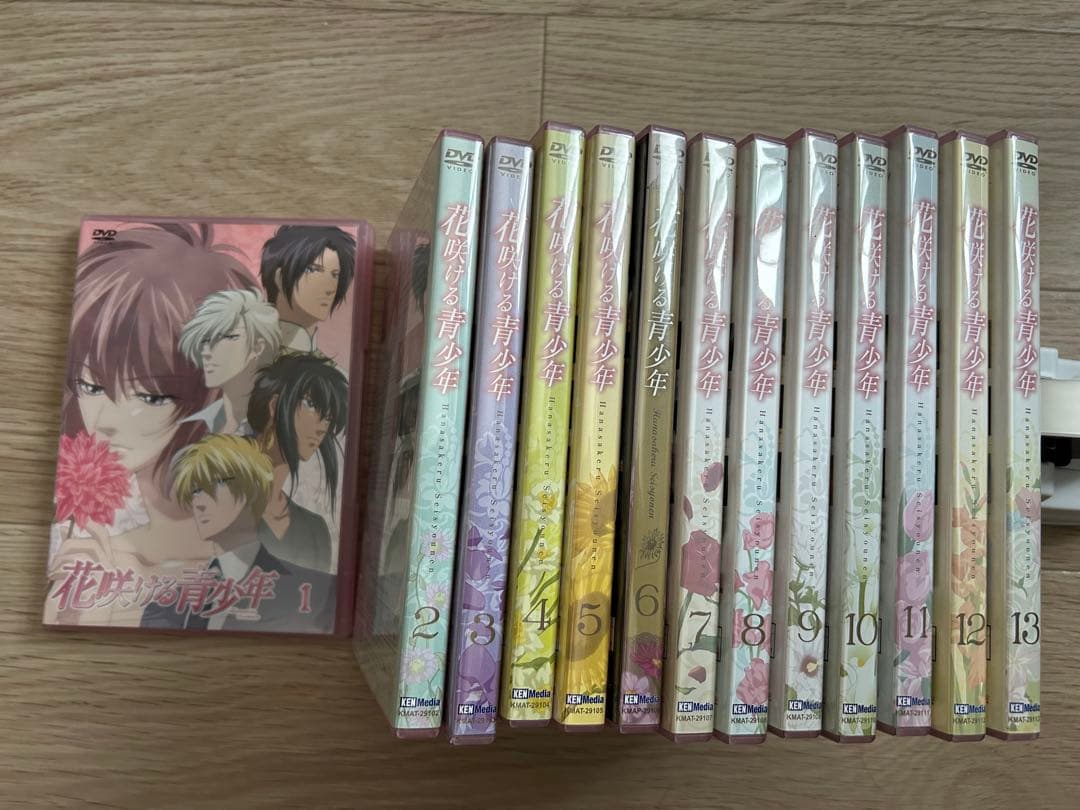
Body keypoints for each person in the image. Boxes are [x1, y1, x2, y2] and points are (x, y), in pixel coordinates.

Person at [46, 223, 250, 627]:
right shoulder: (77, 512)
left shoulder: (236, 503)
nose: (105, 423)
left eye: (152, 397)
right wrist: (72, 606)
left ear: (210, 392)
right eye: (92, 386)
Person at [139, 434, 335, 633]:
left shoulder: (319, 592)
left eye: (217, 483)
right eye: (195, 491)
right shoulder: (163, 609)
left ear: (254, 489)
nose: (200, 502)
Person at [247, 353, 348, 573]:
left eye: (328, 417)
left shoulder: (315, 531)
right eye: (311, 404)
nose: (323, 427)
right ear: (275, 405)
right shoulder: (216, 505)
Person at [178, 288, 281, 435]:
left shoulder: (282, 424)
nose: (206, 351)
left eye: (224, 338)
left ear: (257, 347)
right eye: (205, 340)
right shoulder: (190, 429)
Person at [258, 225, 356, 353]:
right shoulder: (252, 358)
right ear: (280, 278)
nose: (331, 288)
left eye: (335, 275)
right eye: (312, 270)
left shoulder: (331, 366)